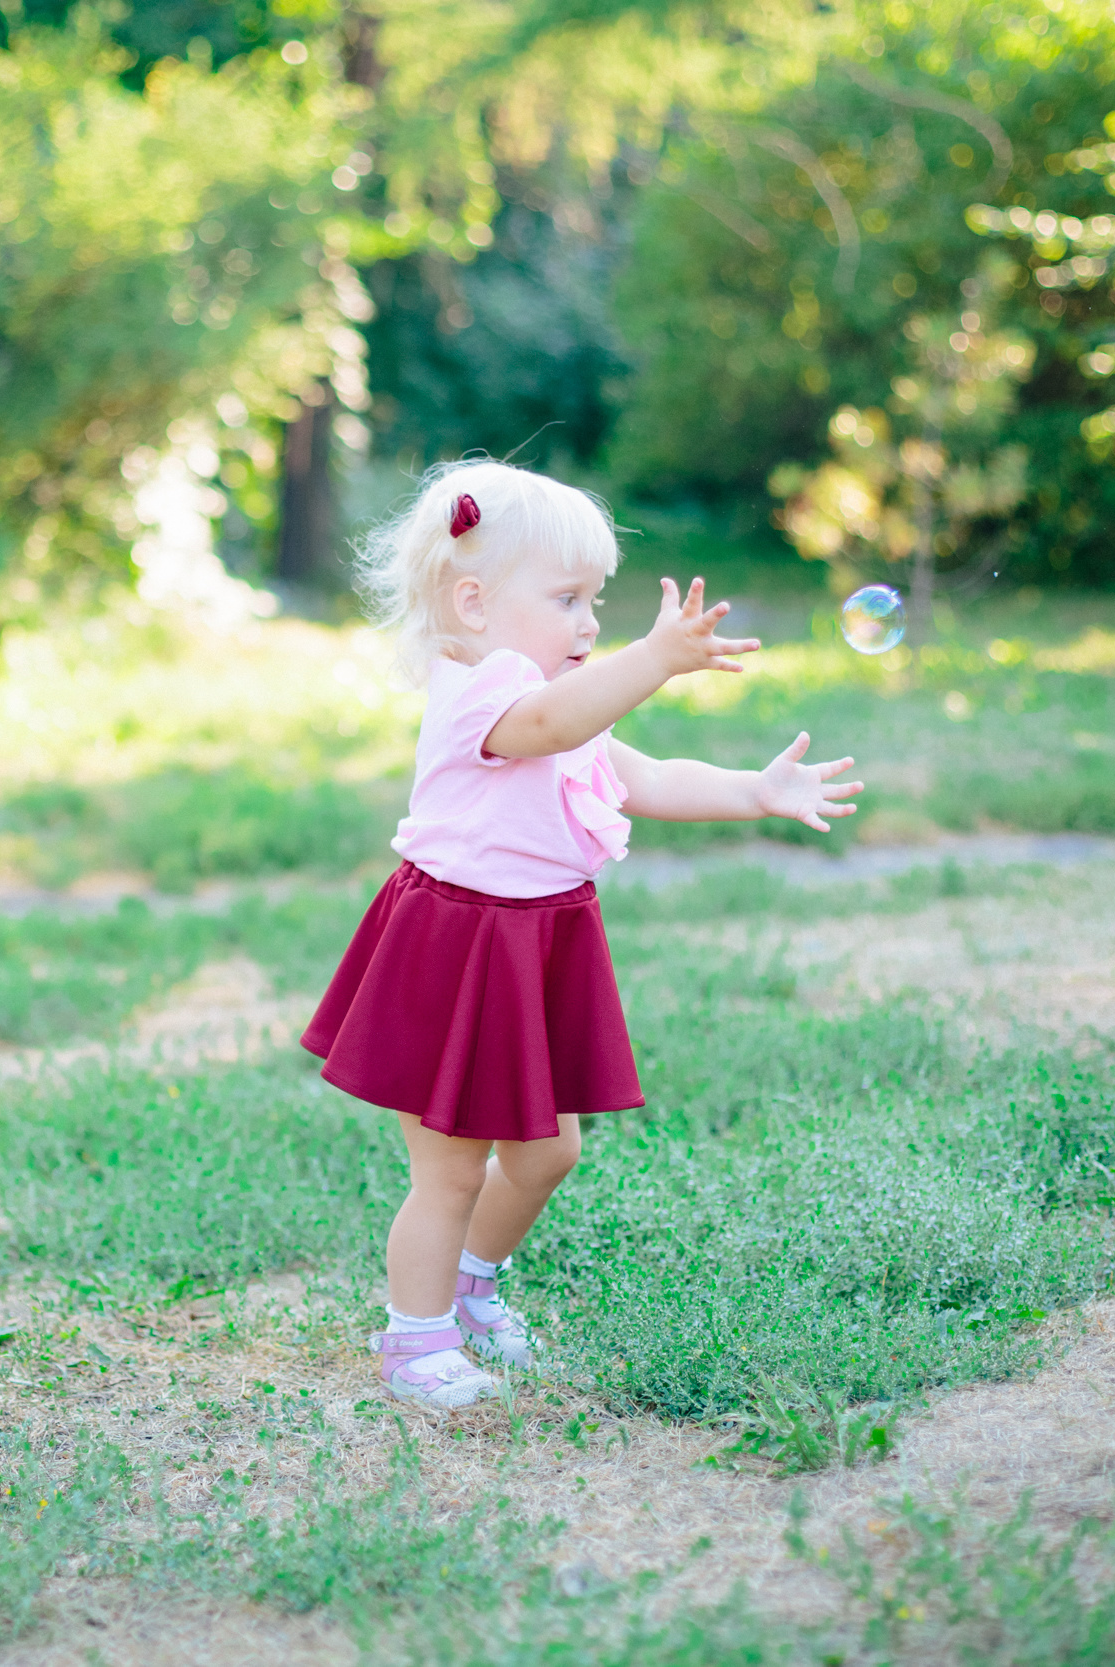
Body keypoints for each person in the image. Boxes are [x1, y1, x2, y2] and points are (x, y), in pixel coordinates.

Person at [301, 461, 864, 1409]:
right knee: (450, 1167)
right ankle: (416, 1342)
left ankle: (473, 1287)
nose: (590, 624)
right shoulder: (483, 696)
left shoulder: (553, 704)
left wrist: (754, 793)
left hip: (536, 944)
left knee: (548, 1151)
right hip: (457, 946)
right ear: (473, 604)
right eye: (567, 599)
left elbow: (641, 774)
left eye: (595, 601)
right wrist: (654, 658)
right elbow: (559, 722)